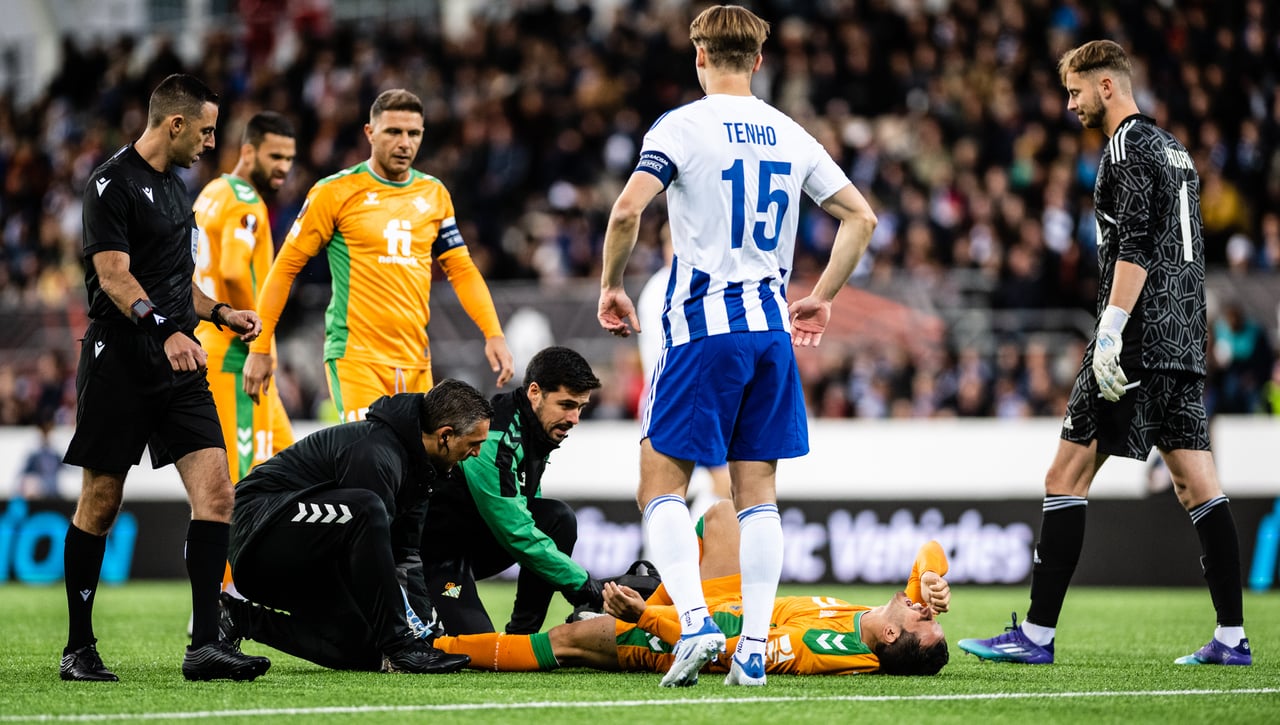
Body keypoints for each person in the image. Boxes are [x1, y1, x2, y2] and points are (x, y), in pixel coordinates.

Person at [596, 5, 878, 687]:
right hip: (771, 333)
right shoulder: (790, 132)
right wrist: (824, 294)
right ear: (758, 61)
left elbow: (629, 209)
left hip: (702, 329)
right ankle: (752, 648)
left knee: (658, 484)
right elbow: (860, 216)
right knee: (760, 497)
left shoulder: (682, 125)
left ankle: (694, 621)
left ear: (699, 56)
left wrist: (611, 283)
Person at [958, 40, 1251, 667]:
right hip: (1182, 338)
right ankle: (1232, 636)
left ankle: (1035, 635)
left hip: (1137, 337)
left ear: (1108, 86)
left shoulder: (1123, 147)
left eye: (1076, 92)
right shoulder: (1175, 149)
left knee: (1064, 477)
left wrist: (1112, 330)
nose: (1071, 106)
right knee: (1198, 484)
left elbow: (1137, 245)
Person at [60, 73, 270, 682]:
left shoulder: (179, 191)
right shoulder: (110, 183)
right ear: (175, 124)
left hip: (180, 367)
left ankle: (204, 645)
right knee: (101, 501)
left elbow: (179, 283)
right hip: (120, 361)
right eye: (205, 131)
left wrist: (221, 313)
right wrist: (166, 330)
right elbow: (114, 276)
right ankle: (79, 648)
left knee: (218, 495)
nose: (210, 142)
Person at [434, 501, 950, 677]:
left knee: (563, 645)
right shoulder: (878, 620)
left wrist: (647, 616)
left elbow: (724, 651)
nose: (926, 609)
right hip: (726, 601)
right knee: (725, 515)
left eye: (924, 620)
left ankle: (430, 648)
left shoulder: (821, 649)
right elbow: (927, 554)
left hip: (680, 636)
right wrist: (931, 576)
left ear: (888, 635)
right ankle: (659, 585)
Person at [243, 89, 514, 423]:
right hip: (356, 359)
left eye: (413, 133)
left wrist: (493, 333)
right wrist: (260, 347)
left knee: (410, 472)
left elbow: (462, 270)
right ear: (370, 133)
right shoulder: (334, 192)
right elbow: (285, 268)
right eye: (393, 132)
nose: (404, 143)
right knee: (370, 460)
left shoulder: (434, 195)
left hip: (416, 361)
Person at [222, 381, 493, 674]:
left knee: (363, 650)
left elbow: (405, 556)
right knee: (367, 509)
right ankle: (401, 648)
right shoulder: (375, 452)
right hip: (257, 533)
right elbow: (370, 548)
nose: (477, 452)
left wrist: (426, 635)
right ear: (446, 436)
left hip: (306, 551)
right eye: (474, 443)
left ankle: (236, 617)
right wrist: (406, 641)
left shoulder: (423, 470)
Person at [421, 346, 605, 635]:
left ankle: (522, 635)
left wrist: (583, 587)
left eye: (581, 407)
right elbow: (516, 530)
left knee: (557, 519)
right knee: (478, 648)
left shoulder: (535, 428)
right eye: (567, 405)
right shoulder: (495, 438)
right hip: (435, 559)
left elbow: (529, 513)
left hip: (471, 544)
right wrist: (584, 586)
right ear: (535, 392)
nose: (575, 419)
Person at [193, 111, 298, 481]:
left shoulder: (212, 192)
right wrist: (259, 339)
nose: (284, 167)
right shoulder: (246, 203)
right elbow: (234, 271)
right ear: (249, 153)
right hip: (236, 356)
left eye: (289, 158)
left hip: (212, 341)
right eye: (275, 157)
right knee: (241, 485)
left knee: (291, 471)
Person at [635, 226, 730, 520]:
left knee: (667, 491)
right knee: (722, 488)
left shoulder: (659, 287)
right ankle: (693, 553)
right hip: (683, 398)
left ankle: (668, 557)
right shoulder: (673, 288)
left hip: (671, 399)